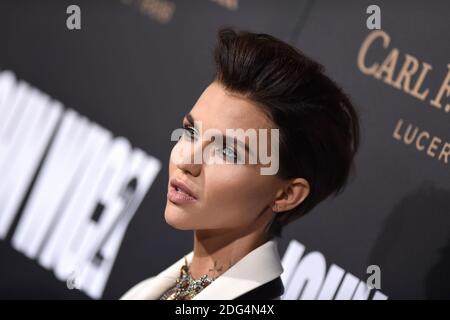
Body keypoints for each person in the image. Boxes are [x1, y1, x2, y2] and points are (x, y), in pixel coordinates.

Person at [121, 26, 360, 300]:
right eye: (190, 132)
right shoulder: (152, 290)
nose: (187, 161)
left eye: (228, 152)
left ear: (286, 194)